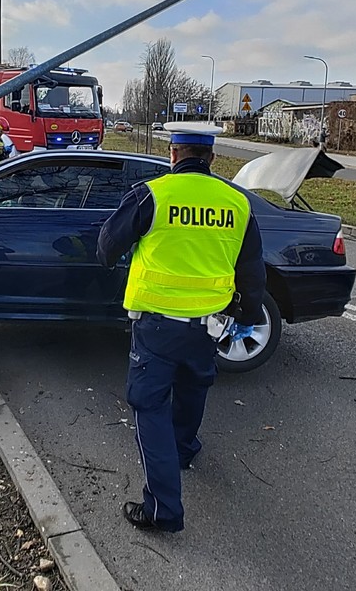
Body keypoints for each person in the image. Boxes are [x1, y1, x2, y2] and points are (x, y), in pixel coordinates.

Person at [97, 122, 266, 533]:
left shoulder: (152, 195)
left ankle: (163, 510)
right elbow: (252, 272)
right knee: (193, 389)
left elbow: (106, 248)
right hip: (208, 326)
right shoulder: (237, 204)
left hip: (156, 327)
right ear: (211, 158)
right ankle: (185, 450)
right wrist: (246, 313)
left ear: (173, 155)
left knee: (149, 405)